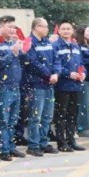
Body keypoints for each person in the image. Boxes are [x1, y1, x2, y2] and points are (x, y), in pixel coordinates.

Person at [0, 16, 26, 159]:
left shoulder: (13, 42)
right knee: (3, 120)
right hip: (3, 87)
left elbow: (24, 61)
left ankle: (11, 146)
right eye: (9, 27)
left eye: (14, 27)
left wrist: (21, 50)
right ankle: (4, 149)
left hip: (15, 86)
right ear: (1, 27)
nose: (13, 30)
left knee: (13, 120)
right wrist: (12, 52)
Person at [26, 18, 59, 154]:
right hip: (37, 85)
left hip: (49, 85)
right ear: (36, 27)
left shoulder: (47, 43)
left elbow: (56, 59)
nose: (47, 29)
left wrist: (56, 73)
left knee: (47, 117)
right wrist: (48, 75)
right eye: (44, 27)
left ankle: (43, 142)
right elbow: (33, 63)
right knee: (35, 117)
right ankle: (33, 145)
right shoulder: (30, 43)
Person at [52, 21, 86, 152]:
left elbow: (81, 63)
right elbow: (55, 65)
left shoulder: (75, 46)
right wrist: (68, 73)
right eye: (63, 29)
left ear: (72, 31)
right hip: (62, 85)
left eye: (68, 29)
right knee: (61, 115)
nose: (66, 31)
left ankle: (71, 140)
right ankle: (61, 142)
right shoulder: (56, 46)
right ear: (59, 31)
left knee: (73, 114)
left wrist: (83, 73)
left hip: (75, 85)